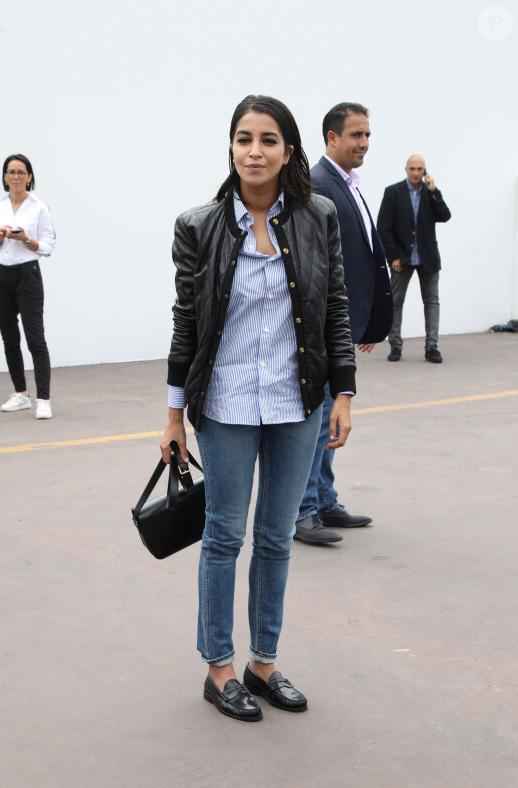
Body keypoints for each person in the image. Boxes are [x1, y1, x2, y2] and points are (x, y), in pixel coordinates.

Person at [160, 95, 356, 721]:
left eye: (268, 139)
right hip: (224, 403)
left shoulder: (317, 216)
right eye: (243, 139)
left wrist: (344, 392)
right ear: (231, 148)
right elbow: (186, 322)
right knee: (224, 535)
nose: (254, 151)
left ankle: (262, 663)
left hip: (297, 400)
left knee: (275, 538)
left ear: (288, 150)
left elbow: (336, 309)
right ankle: (219, 668)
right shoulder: (199, 225)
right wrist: (172, 414)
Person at [295, 103, 393, 546]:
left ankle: (324, 499)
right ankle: (301, 512)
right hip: (320, 330)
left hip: (342, 325)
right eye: (356, 135)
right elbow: (313, 265)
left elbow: (359, 256)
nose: (364, 144)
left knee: (333, 418)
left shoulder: (345, 184)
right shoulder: (318, 183)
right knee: (318, 421)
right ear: (332, 138)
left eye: (367, 135)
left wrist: (365, 324)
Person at [0, 154, 57, 419]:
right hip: (0, 275)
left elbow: (48, 246)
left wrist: (26, 239)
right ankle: (21, 394)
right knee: (9, 337)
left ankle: (44, 398)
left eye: (21, 172)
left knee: (35, 337)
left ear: (29, 177)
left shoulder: (38, 208)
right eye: (11, 172)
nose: (16, 177)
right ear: (5, 177)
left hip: (27, 274)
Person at [377, 155, 451, 363]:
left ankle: (432, 347)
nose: (416, 173)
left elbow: (445, 216)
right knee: (395, 302)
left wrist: (434, 191)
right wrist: (393, 257)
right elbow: (383, 226)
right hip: (402, 258)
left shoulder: (431, 193)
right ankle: (396, 346)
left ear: (425, 170)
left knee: (432, 302)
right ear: (406, 169)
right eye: (412, 169)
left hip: (428, 258)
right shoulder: (393, 192)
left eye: (420, 169)